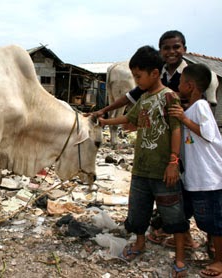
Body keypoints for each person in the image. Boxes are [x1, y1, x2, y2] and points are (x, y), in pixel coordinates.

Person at [99, 45, 189, 277]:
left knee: (173, 215)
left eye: (139, 76)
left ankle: (180, 257)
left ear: (154, 74)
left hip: (163, 170)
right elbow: (129, 118)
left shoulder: (169, 97)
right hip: (141, 169)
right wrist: (103, 121)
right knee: (137, 213)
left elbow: (177, 130)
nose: (136, 81)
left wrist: (173, 162)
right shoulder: (144, 98)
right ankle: (140, 243)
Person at [168, 64, 222, 278]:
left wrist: (183, 119)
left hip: (210, 178)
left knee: (216, 223)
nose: (178, 86)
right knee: (201, 217)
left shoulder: (200, 107)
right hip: (195, 178)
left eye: (180, 82)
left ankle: (219, 260)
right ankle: (193, 244)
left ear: (189, 86)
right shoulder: (190, 109)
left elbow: (208, 134)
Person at [92, 30, 188, 118]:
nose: (171, 52)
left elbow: (197, 104)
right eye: (166, 48)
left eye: (176, 47)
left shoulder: (191, 74)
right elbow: (129, 97)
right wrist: (102, 111)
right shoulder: (155, 75)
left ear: (184, 49)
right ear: (160, 51)